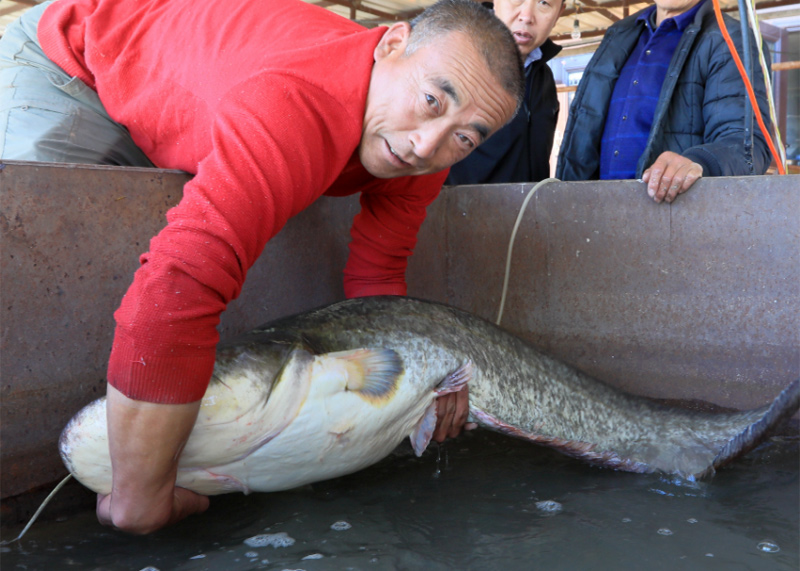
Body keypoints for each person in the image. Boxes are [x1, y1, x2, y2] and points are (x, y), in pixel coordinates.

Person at [0, 0, 523, 534]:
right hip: (71, 60)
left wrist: (430, 375)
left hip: (198, 77)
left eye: (466, 137)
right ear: (390, 44)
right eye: (432, 100)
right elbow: (179, 284)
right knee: (91, 265)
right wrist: (140, 499)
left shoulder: (423, 152)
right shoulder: (295, 103)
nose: (425, 145)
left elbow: (379, 283)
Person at [556, 0, 773, 203]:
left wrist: (699, 161)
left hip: (670, 221)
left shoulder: (730, 39)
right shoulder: (618, 35)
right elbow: (583, 133)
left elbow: (748, 146)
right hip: (594, 211)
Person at [446, 0, 564, 185]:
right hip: (459, 209)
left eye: (544, 2)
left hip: (530, 210)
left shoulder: (544, 77)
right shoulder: (455, 59)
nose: (526, 16)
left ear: (558, 14)